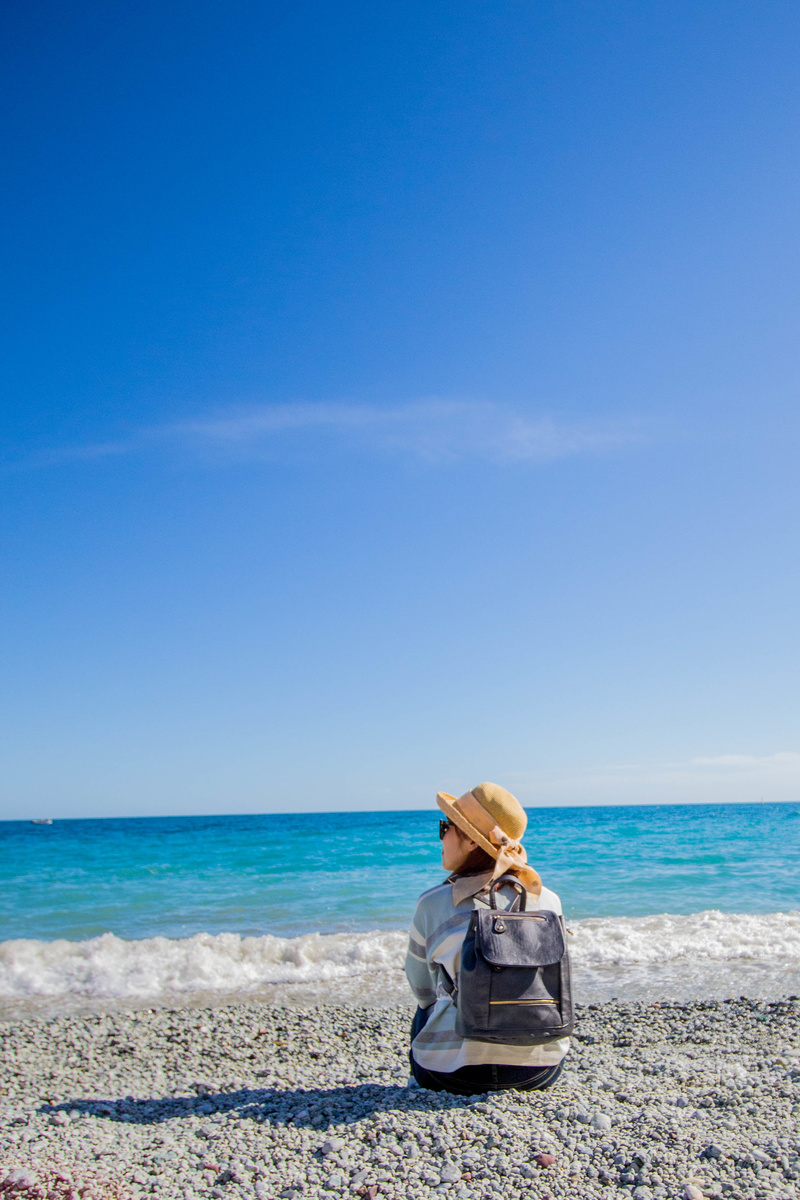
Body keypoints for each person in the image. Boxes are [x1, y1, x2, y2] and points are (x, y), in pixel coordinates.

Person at [405, 781, 569, 1095]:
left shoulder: (433, 904)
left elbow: (421, 989)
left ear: (469, 841)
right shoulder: (548, 900)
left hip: (449, 1076)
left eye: (445, 827)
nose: (440, 837)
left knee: (428, 1003)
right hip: (539, 1072)